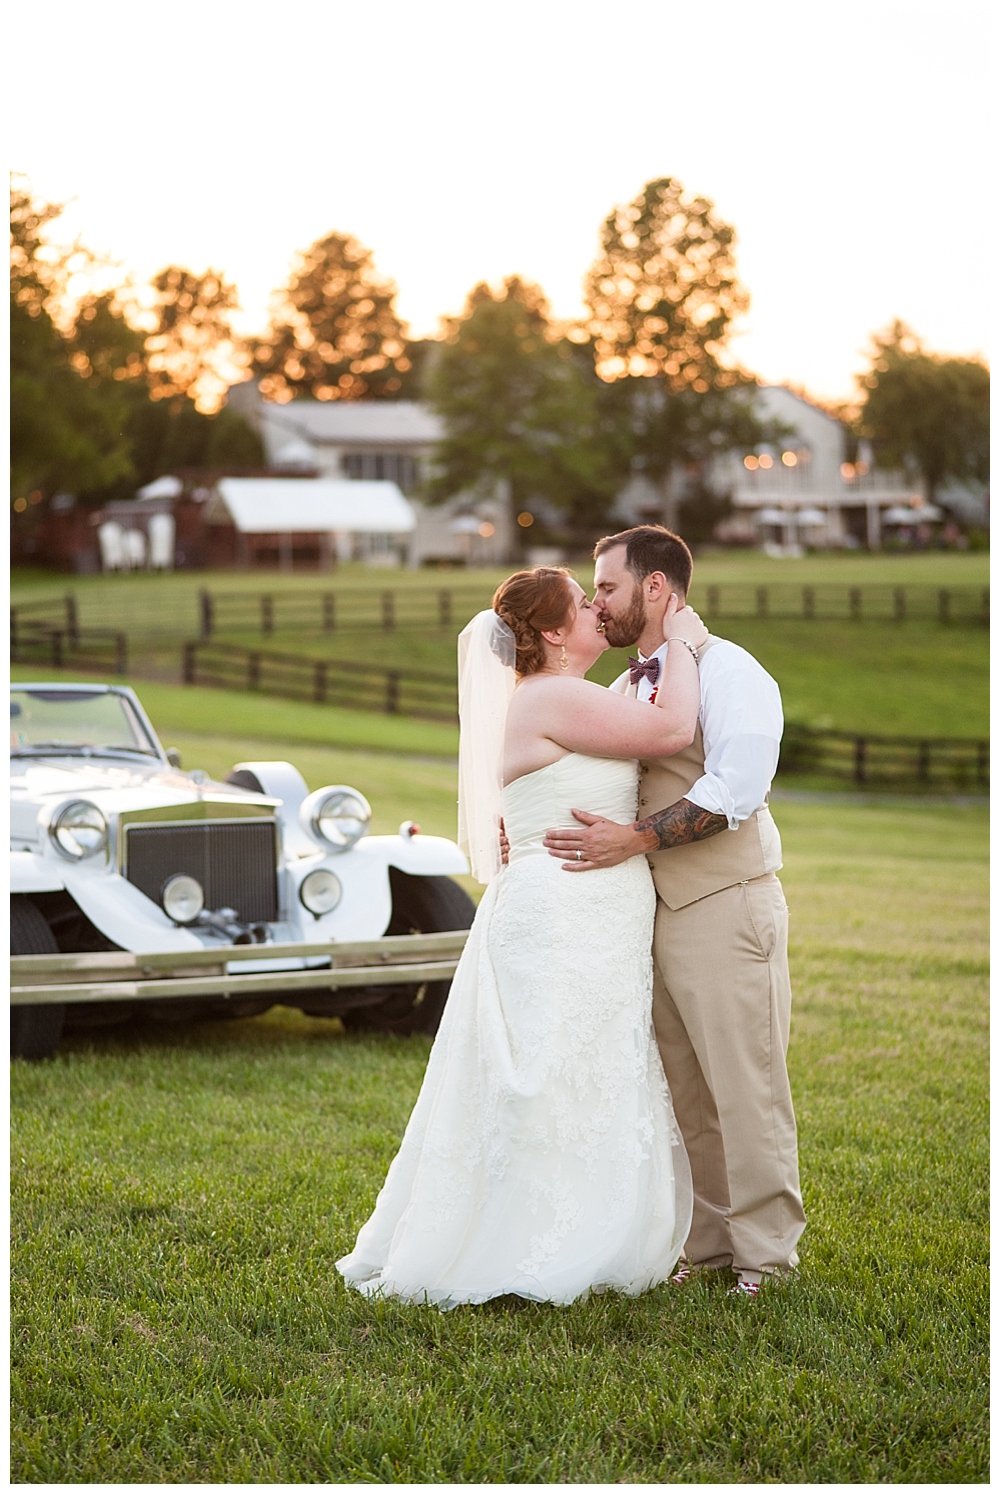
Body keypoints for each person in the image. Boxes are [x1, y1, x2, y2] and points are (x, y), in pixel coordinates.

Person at [337, 567, 709, 1307]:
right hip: (568, 908)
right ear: (549, 633)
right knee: (553, 1071)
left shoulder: (549, 698)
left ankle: (566, 1229)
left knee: (570, 1065)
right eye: (584, 604)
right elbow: (673, 730)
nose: (599, 612)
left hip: (576, 905)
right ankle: (541, 1241)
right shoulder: (554, 694)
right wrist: (684, 642)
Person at [542, 527, 806, 1299]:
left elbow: (736, 790)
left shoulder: (733, 670)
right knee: (687, 1096)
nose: (598, 601)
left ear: (657, 589)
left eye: (610, 587)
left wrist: (637, 840)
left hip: (727, 904)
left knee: (746, 1089)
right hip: (651, 919)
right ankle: (713, 1246)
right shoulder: (630, 687)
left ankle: (769, 1261)